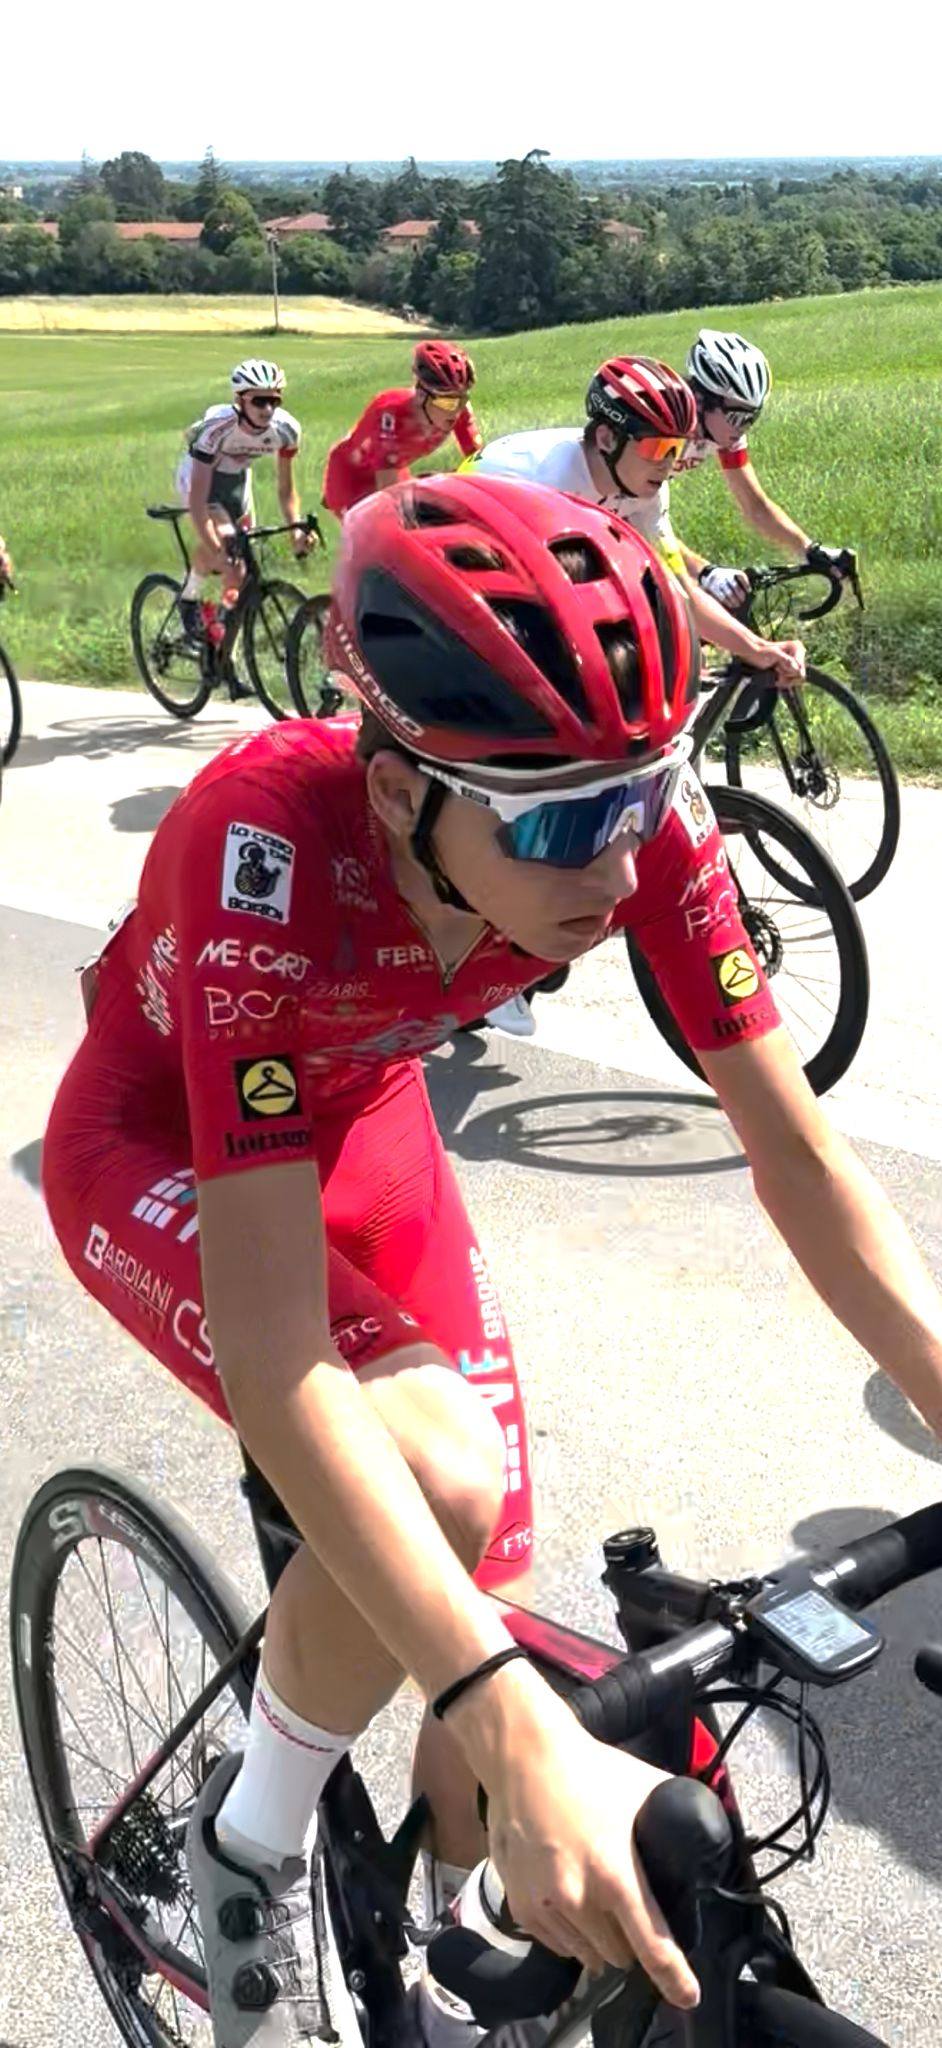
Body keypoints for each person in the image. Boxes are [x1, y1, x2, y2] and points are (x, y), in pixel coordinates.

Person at [42, 474, 942, 2048]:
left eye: (647, 791)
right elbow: (274, 1346)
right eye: (567, 822)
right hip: (163, 1137)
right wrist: (494, 1707)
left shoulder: (621, 821)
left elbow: (798, 1157)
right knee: (441, 1493)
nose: (620, 864)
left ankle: (439, 1911)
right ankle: (244, 1847)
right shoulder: (262, 841)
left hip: (362, 1117)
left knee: (486, 1580)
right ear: (400, 790)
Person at [474, 353, 805, 1038]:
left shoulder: (644, 483)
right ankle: (494, 947)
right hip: (474, 559)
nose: (672, 464)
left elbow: (675, 587)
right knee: (527, 752)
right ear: (606, 438)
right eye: (658, 450)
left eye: (679, 451)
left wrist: (755, 648)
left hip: (549, 569)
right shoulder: (539, 480)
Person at [675, 329, 855, 607]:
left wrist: (809, 550)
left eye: (752, 418)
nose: (743, 428)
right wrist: (705, 573)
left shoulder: (722, 430)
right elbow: (639, 520)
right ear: (702, 401)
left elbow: (755, 505)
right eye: (738, 417)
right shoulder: (662, 430)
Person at [175, 359, 313, 643]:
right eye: (259, 401)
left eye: (274, 401)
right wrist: (217, 548)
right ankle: (188, 598)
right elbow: (198, 500)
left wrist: (296, 530)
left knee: (241, 566)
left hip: (237, 479)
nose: (268, 410)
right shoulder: (217, 426)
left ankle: (222, 641)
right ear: (239, 400)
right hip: (200, 477)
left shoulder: (286, 430)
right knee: (226, 546)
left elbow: (286, 489)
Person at [322, 341, 481, 520]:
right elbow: (388, 494)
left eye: (462, 399)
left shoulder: (459, 410)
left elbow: (478, 463)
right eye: (447, 402)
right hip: (349, 478)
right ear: (421, 395)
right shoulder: (391, 414)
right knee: (384, 528)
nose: (456, 410)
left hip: (393, 468)